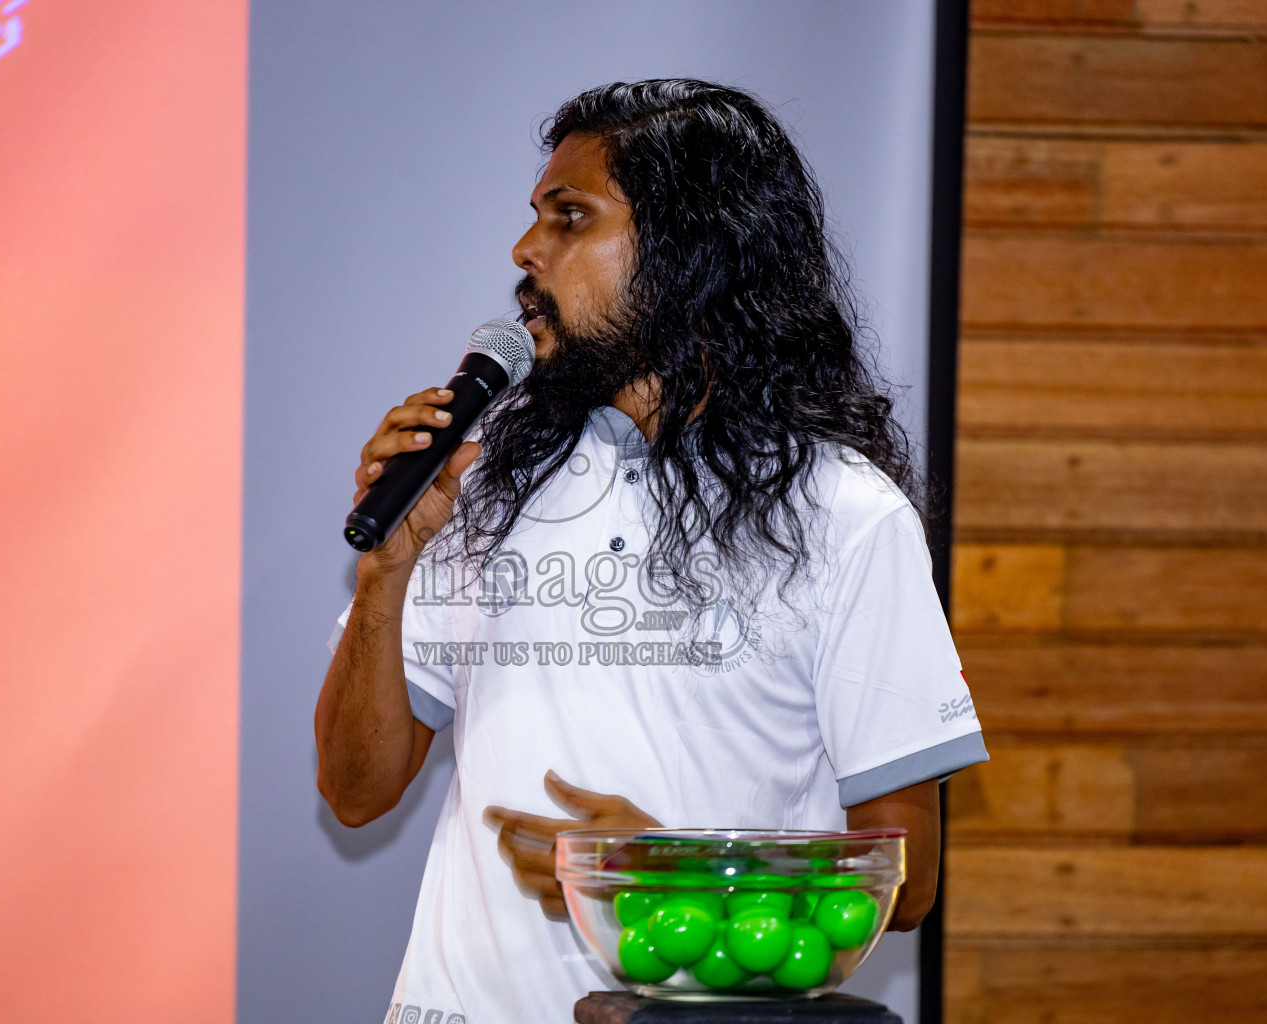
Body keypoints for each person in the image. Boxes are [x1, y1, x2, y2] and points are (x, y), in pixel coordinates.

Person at [316, 79, 987, 1024]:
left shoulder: (845, 514)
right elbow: (354, 790)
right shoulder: (482, 479)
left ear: (689, 254)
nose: (525, 250)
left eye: (570, 217)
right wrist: (388, 568)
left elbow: (904, 884)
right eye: (536, 217)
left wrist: (676, 868)